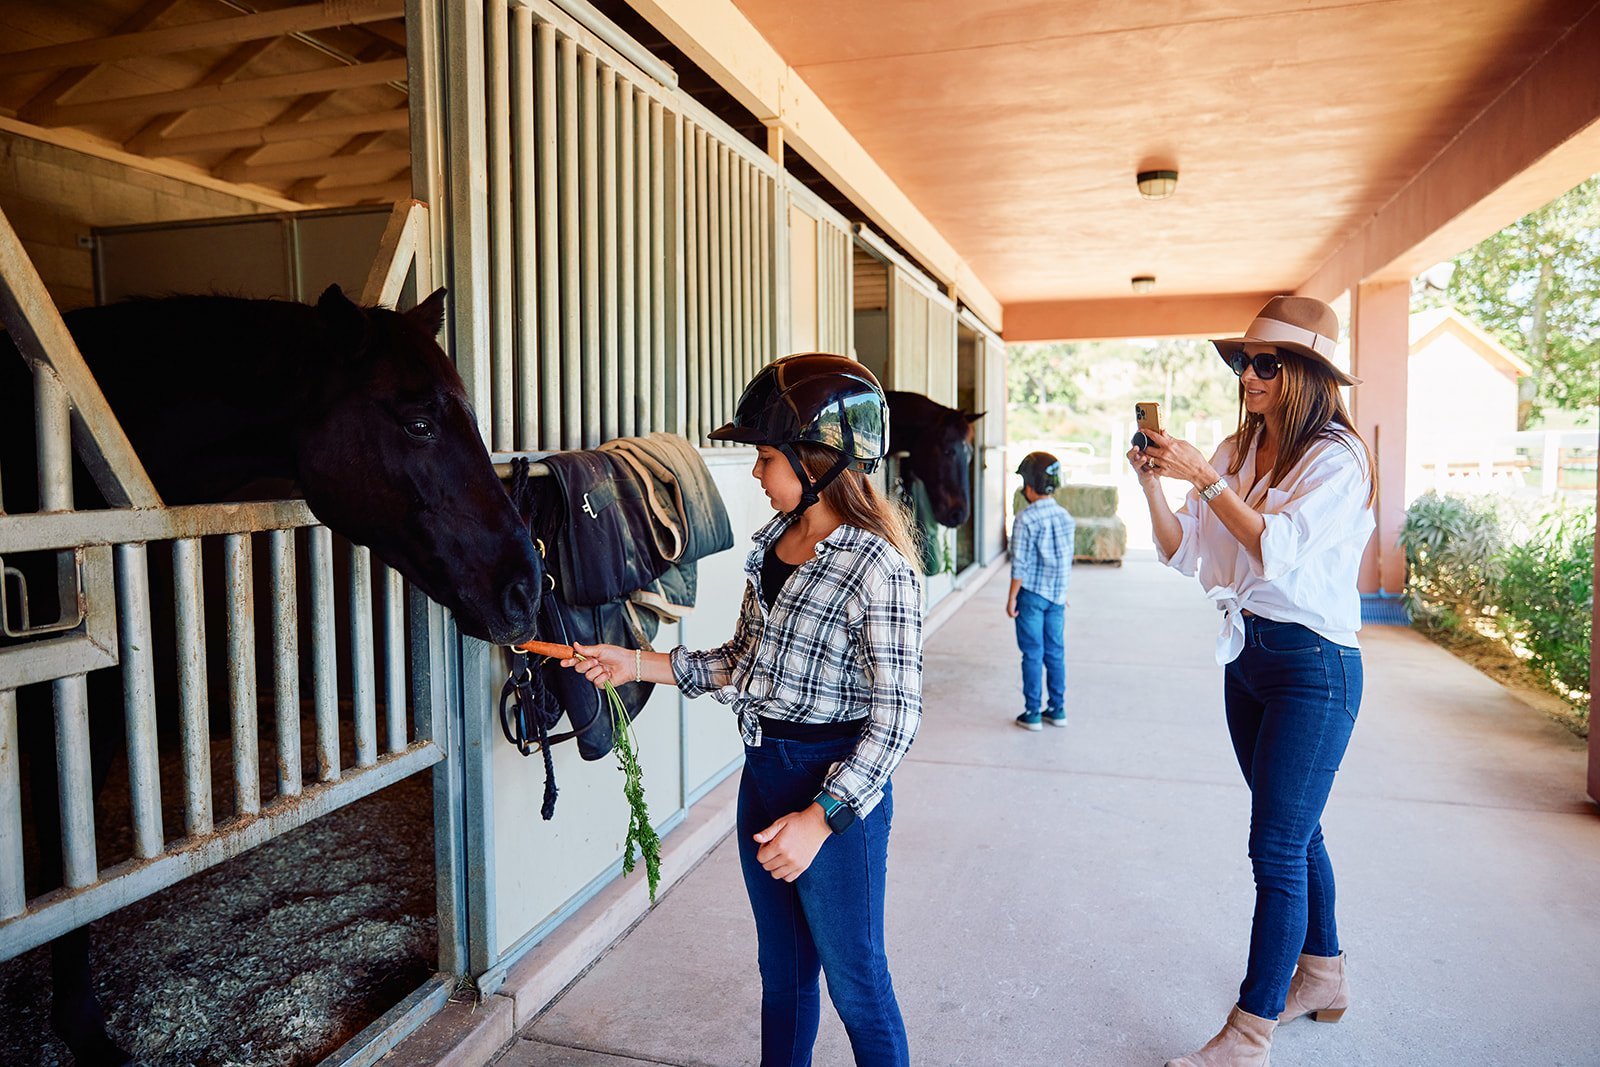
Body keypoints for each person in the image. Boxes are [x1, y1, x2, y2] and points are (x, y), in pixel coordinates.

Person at [561, 353, 922, 1067]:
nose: (756, 473)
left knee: (857, 984)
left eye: (764, 456)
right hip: (765, 774)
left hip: (835, 788)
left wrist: (822, 819)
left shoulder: (878, 567)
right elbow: (741, 664)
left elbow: (897, 721)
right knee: (783, 977)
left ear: (817, 460)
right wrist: (631, 662)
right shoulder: (775, 547)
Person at [1128, 296, 1375, 1067]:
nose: (1249, 375)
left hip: (1315, 669)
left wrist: (1203, 475)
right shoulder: (1241, 447)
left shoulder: (1338, 458)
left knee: (1274, 846)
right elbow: (1184, 552)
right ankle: (1323, 975)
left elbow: (1274, 546)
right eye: (1243, 361)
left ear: (1305, 373)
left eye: (1265, 363)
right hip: (1248, 658)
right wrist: (1155, 487)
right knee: (1300, 832)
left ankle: (1248, 1033)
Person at [1007, 451, 1075, 730]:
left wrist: (1012, 598)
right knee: (1055, 652)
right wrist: (1062, 592)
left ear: (1030, 485)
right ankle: (1057, 710)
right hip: (1057, 597)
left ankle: (1032, 713)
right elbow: (1065, 559)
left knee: (1032, 653)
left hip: (1032, 597)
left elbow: (1019, 565)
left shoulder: (1025, 519)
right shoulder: (1065, 517)